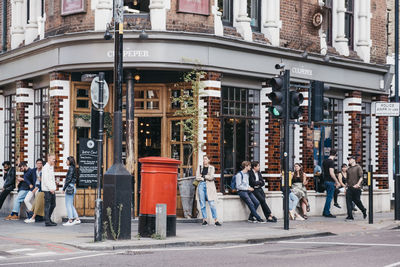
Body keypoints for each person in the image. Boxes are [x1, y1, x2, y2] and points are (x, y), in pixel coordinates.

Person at [195, 155, 221, 226]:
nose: (204, 160)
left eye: (206, 159)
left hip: (209, 186)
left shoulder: (212, 167)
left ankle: (216, 220)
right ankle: (205, 220)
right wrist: (204, 178)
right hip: (201, 185)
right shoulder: (200, 167)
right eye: (203, 159)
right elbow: (197, 177)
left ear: (209, 160)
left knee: (212, 203)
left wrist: (203, 176)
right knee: (202, 204)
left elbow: (212, 177)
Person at [345, 155, 367, 220]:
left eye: (350, 159)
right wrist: (346, 187)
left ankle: (363, 210)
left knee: (357, 201)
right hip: (349, 188)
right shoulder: (348, 169)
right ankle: (350, 216)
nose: (349, 160)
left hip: (357, 188)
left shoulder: (358, 167)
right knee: (348, 201)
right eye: (348, 159)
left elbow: (361, 177)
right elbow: (347, 179)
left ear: (354, 159)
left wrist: (358, 184)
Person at [62, 156, 81, 226]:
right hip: (72, 187)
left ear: (70, 161)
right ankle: (77, 219)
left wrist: (64, 189)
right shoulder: (73, 168)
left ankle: (70, 220)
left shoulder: (71, 169)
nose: (66, 162)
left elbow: (68, 179)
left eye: (67, 161)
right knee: (70, 204)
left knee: (68, 204)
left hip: (70, 187)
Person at [322, 149, 339, 218]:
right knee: (329, 197)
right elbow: (331, 173)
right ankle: (326, 212)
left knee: (328, 197)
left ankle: (325, 211)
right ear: (335, 154)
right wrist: (336, 181)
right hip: (330, 181)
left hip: (325, 181)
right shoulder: (331, 162)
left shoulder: (324, 161)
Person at [42, 154, 57, 226]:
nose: (54, 161)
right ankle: (47, 221)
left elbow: (51, 179)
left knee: (53, 204)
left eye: (54, 159)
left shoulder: (51, 167)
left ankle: (48, 219)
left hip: (52, 189)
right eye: (53, 159)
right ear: (49, 159)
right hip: (48, 189)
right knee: (48, 205)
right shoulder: (45, 167)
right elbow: (46, 179)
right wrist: (50, 188)